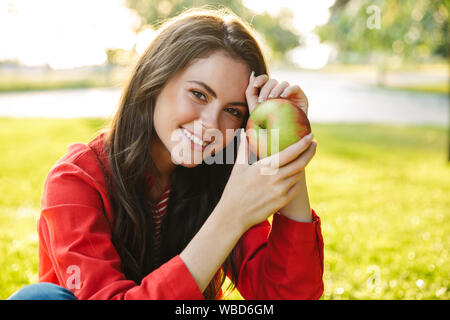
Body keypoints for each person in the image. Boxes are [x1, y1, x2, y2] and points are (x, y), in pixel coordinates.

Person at [8, 8, 323, 300]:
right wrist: (230, 216)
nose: (211, 125)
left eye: (232, 110)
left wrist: (285, 144)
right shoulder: (76, 179)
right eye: (199, 94)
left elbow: (288, 294)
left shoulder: (221, 175)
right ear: (153, 80)